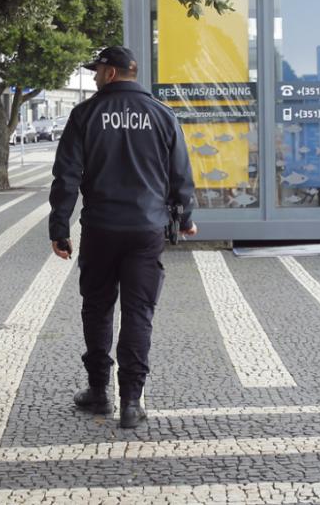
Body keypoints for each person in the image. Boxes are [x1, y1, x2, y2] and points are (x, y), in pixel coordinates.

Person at [48, 46, 197, 428]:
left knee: (97, 308)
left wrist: (59, 227)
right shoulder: (163, 115)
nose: (94, 77)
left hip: (100, 228)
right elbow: (180, 173)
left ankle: (99, 392)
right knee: (138, 313)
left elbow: (66, 176)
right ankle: (131, 401)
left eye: (97, 70)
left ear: (112, 73)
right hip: (146, 229)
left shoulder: (85, 115)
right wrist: (186, 217)